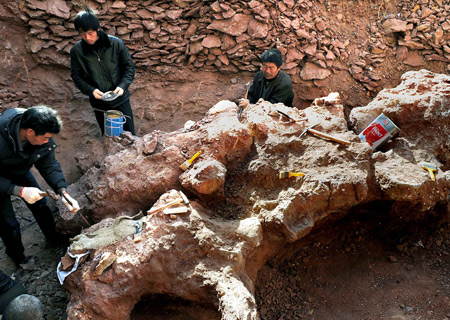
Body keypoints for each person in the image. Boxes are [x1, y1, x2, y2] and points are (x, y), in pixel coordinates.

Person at [0, 106, 80, 268]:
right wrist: (19, 191)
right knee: (8, 223)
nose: (47, 141)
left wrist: (62, 190)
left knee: (40, 205)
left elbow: (48, 164)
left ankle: (53, 238)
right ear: (29, 132)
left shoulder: (42, 130)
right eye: (45, 138)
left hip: (19, 166)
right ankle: (18, 257)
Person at [70, 5, 136, 136]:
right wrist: (91, 90)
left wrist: (122, 86)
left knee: (129, 137)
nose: (87, 38)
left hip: (121, 100)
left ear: (98, 29)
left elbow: (129, 67)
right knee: (109, 137)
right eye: (82, 34)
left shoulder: (116, 44)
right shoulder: (77, 52)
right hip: (99, 103)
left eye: (90, 33)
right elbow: (76, 76)